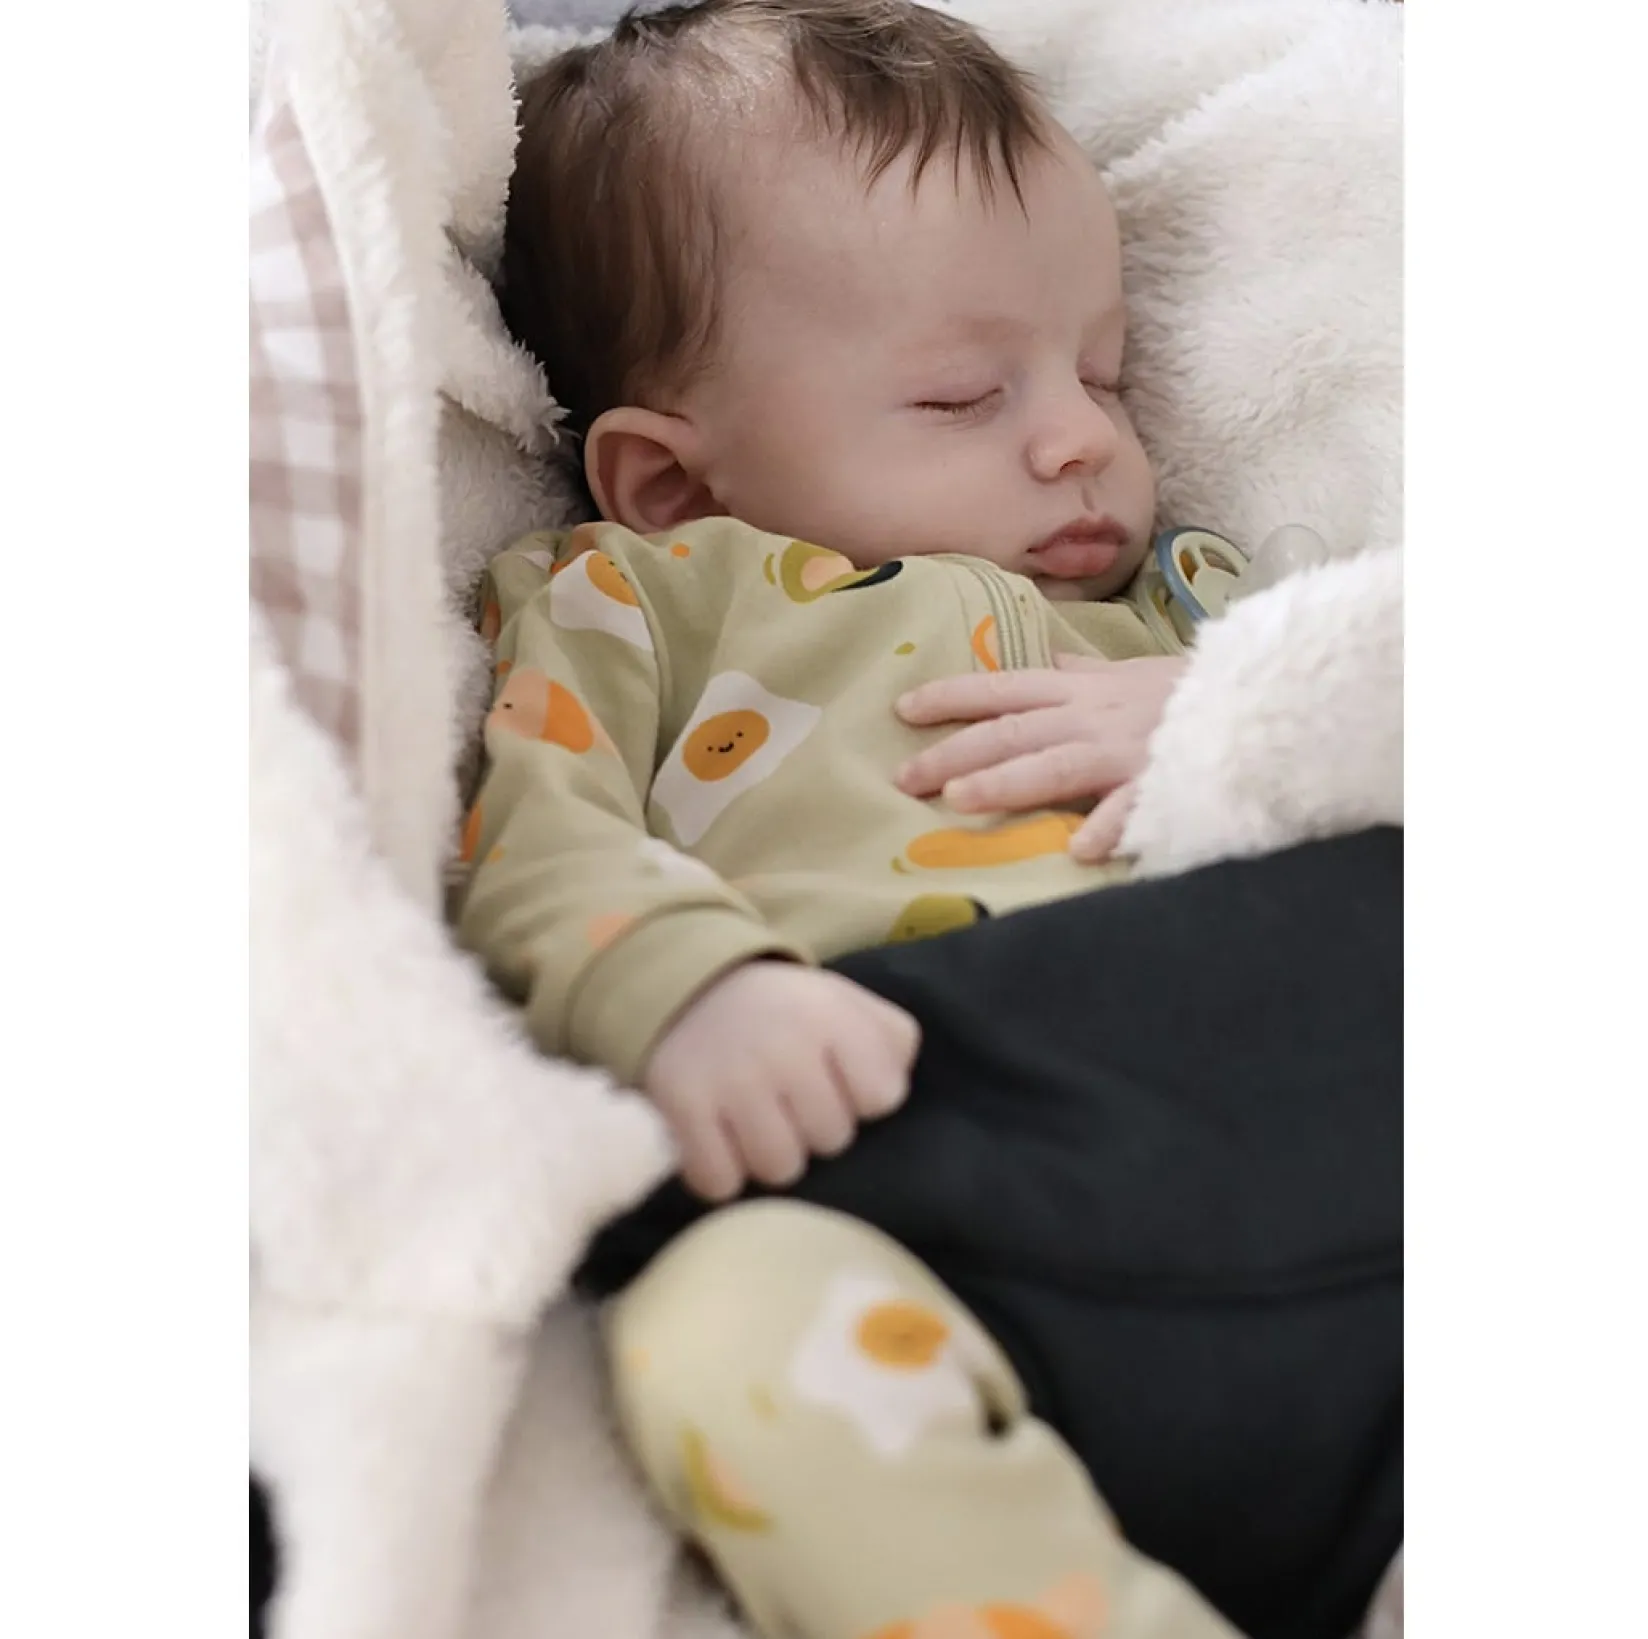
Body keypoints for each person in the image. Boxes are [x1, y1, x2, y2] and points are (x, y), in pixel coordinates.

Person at [458, 5, 1402, 1638]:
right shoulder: (643, 597)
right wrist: (688, 988)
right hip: (940, 1166)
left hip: (1301, 1109)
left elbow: (1370, 711)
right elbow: (535, 832)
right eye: (964, 394)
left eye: (1103, 370)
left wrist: (1224, 705)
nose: (1082, 434)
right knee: (716, 1327)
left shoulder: (1192, 603)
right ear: (674, 484)